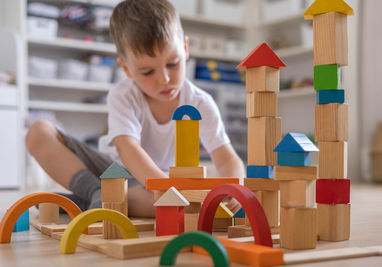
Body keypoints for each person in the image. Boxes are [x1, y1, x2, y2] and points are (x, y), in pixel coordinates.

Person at [25, 0, 245, 217]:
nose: (164, 79)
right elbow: (127, 148)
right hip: (113, 172)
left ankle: (99, 200)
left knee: (187, 206)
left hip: (150, 188)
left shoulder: (200, 102)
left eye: (173, 63)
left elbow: (226, 159)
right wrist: (163, 186)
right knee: (38, 133)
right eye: (148, 72)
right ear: (126, 68)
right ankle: (96, 192)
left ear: (185, 49)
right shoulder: (124, 95)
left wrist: (234, 190)